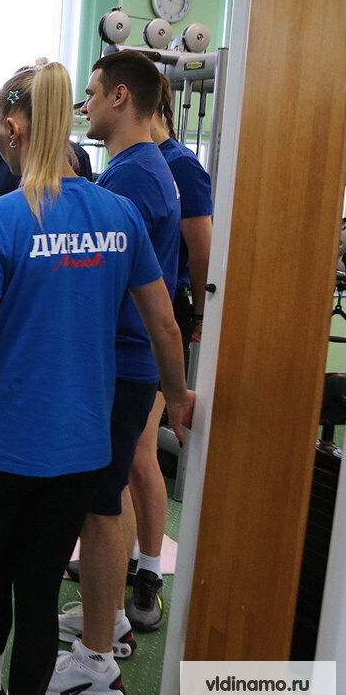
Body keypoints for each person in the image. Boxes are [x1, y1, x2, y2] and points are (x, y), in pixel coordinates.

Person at [0, 61, 193, 695]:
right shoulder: (119, 213)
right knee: (38, 589)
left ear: (14, 128)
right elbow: (164, 325)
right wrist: (177, 396)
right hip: (79, 448)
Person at [49, 50, 183, 695]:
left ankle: (95, 660)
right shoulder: (140, 169)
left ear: (121, 97)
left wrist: (177, 390)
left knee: (98, 508)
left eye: (93, 93)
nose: (85, 106)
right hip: (126, 363)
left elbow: (133, 297)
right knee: (110, 492)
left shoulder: (131, 180)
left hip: (121, 363)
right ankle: (110, 620)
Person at [118, 73, 214, 631]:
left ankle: (149, 573)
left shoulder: (179, 166)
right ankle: (121, 553)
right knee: (122, 455)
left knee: (138, 453)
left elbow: (201, 252)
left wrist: (199, 319)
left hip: (161, 319)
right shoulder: (130, 164)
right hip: (129, 320)